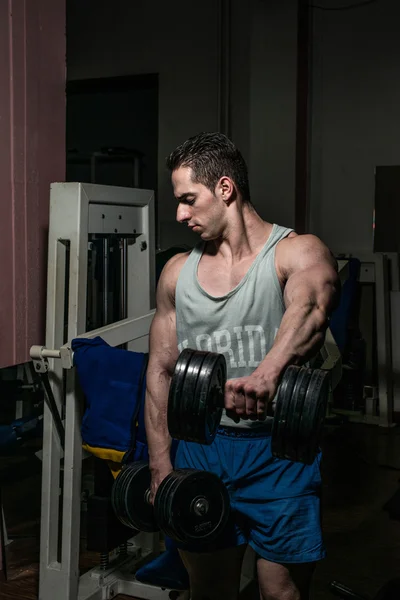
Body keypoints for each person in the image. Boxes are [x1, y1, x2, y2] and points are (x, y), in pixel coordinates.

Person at [144, 132, 340, 600]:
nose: (180, 214)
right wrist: (158, 464)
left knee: (281, 594)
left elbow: (310, 308)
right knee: (209, 591)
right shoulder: (176, 273)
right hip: (201, 452)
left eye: (188, 200)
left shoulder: (296, 252)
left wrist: (267, 372)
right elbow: (160, 372)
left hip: (280, 454)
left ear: (225, 189)